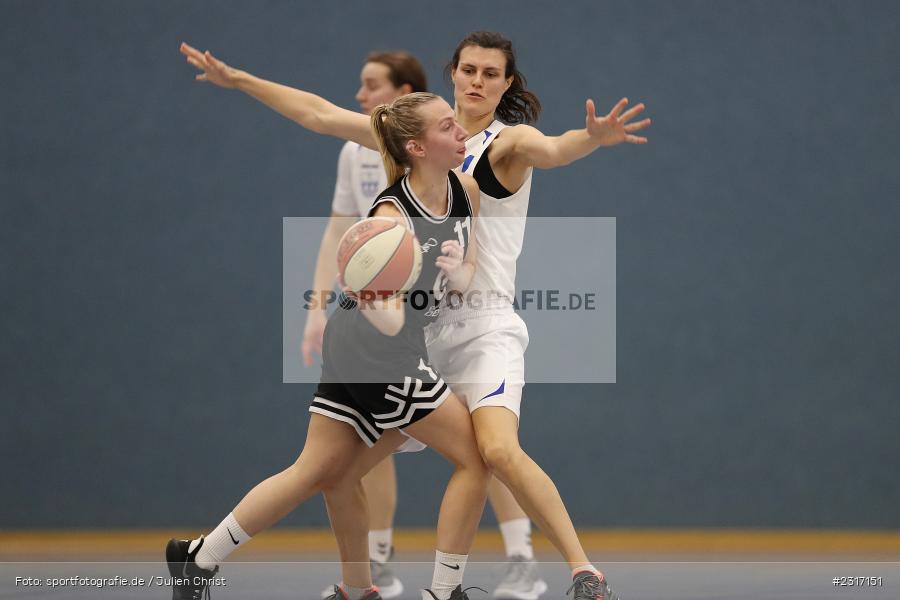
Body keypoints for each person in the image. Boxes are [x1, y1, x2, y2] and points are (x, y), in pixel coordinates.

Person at [179, 31, 650, 600]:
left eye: (491, 73)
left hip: (480, 326)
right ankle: (362, 585)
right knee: (343, 471)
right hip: (415, 336)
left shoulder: (503, 143)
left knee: (486, 452)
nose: (477, 81)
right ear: (452, 73)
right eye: (469, 70)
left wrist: (592, 140)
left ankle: (575, 572)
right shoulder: (420, 137)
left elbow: (552, 149)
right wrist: (240, 81)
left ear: (506, 84)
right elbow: (321, 114)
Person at [165, 92, 488, 600]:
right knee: (476, 456)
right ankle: (445, 592)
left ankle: (201, 558)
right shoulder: (390, 217)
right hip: (381, 353)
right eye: (448, 127)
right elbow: (387, 315)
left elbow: (461, 272)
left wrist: (461, 274)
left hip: (361, 347)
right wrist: (377, 301)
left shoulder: (464, 188)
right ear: (417, 147)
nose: (461, 131)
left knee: (321, 472)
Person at [304, 49, 428, 599]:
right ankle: (376, 561)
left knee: (488, 441)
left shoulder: (426, 156)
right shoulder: (352, 152)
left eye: (371, 84)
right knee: (368, 437)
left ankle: (519, 553)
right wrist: (315, 307)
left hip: (429, 314)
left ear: (404, 91)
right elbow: (337, 231)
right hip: (376, 314)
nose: (360, 95)